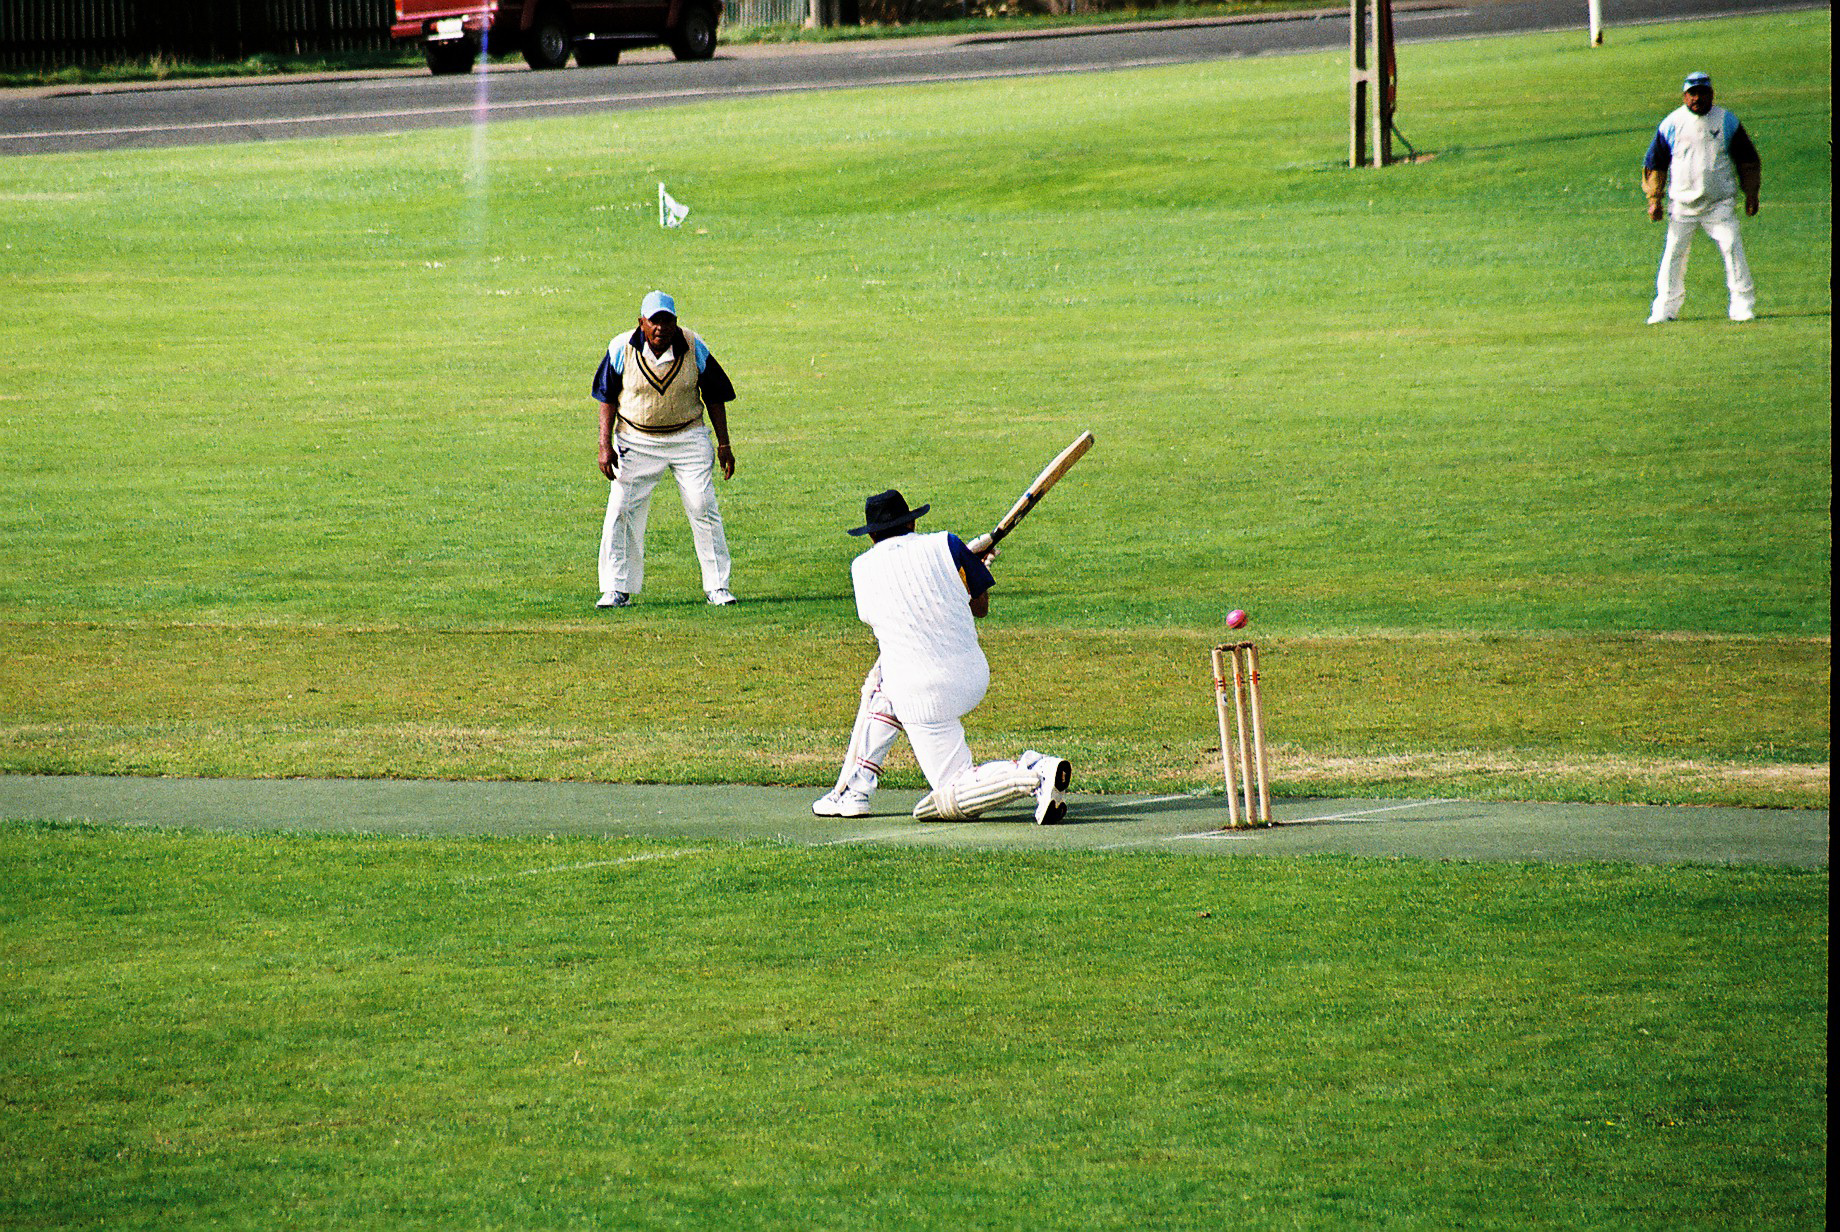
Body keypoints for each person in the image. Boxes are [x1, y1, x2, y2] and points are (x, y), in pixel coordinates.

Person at [812, 489, 1072, 824]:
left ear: (871, 534)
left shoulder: (861, 568)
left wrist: (959, 568)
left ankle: (1034, 770)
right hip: (973, 676)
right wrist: (962, 568)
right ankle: (855, 789)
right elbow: (980, 608)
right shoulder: (948, 544)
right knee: (882, 679)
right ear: (913, 521)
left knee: (953, 785)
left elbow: (890, 614)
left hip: (922, 698)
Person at [593, 290, 740, 608]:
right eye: (654, 321)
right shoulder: (621, 347)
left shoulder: (693, 345)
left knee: (702, 505)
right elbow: (606, 397)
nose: (661, 328)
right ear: (641, 322)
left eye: (667, 320)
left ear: (675, 321)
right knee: (622, 509)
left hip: (688, 436)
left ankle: (717, 587)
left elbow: (714, 394)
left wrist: (724, 444)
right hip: (635, 438)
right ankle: (617, 588)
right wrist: (605, 446)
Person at [1643, 71, 1761, 324]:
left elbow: (1747, 160)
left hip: (1719, 204)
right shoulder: (1672, 124)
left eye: (1702, 93)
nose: (1697, 98)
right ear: (1685, 96)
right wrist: (1654, 199)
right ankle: (1665, 308)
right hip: (1683, 205)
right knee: (1673, 254)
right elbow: (1655, 164)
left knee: (1732, 248)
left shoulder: (1726, 121)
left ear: (1711, 94)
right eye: (1692, 94)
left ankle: (1742, 305)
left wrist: (1751, 193)